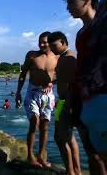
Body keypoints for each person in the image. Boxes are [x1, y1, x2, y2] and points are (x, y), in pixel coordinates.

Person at [64, 0, 106, 174]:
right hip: (74, 99)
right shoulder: (81, 33)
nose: (68, 7)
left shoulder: (102, 26)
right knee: (91, 151)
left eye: (71, 2)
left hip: (98, 95)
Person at [15, 31, 58, 168]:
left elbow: (63, 76)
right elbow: (22, 74)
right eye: (40, 41)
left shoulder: (57, 57)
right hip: (32, 92)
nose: (42, 44)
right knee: (34, 122)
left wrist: (52, 83)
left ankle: (41, 155)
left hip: (48, 94)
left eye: (45, 41)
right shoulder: (32, 55)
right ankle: (30, 155)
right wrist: (18, 93)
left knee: (45, 125)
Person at [48, 31, 82, 175]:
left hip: (66, 102)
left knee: (60, 136)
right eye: (51, 46)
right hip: (62, 101)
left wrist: (68, 105)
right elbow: (65, 78)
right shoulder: (63, 57)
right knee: (68, 137)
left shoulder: (69, 58)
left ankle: (71, 171)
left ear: (63, 42)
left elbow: (75, 83)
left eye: (54, 45)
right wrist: (52, 82)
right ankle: (75, 171)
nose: (52, 49)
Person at [80, 0, 107, 170]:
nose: (47, 46)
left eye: (50, 43)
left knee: (49, 127)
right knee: (61, 134)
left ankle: (74, 171)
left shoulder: (67, 56)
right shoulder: (33, 57)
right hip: (69, 100)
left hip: (52, 100)